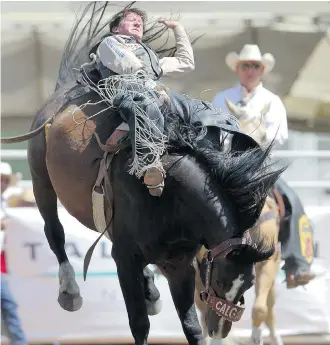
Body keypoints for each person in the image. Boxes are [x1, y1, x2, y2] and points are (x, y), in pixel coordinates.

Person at [82, 6, 241, 197]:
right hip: (129, 91)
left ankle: (225, 155)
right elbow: (130, 65)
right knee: (147, 105)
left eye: (139, 21)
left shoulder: (151, 56)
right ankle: (149, 164)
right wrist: (151, 79)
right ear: (115, 28)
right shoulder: (109, 43)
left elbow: (186, 63)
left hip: (158, 93)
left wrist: (178, 29)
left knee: (207, 111)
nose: (138, 22)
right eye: (131, 19)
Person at [211, 44, 315, 288]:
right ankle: (180, 253)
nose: (250, 70)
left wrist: (259, 136)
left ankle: (297, 264)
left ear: (262, 70)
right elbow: (212, 131)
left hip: (261, 165)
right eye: (245, 65)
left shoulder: (273, 101)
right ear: (238, 69)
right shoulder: (220, 98)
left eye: (254, 66)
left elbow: (280, 135)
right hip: (228, 164)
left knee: (291, 201)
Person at [1, 162, 28, 345]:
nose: (2, 183)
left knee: (8, 303)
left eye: (4, 180)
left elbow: (25, 196)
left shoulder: (4, 200)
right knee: (8, 303)